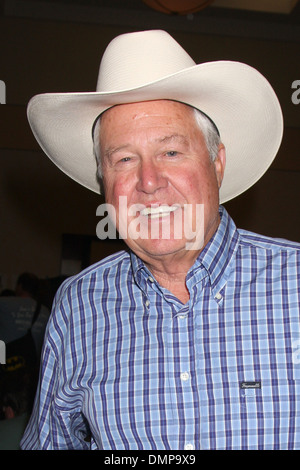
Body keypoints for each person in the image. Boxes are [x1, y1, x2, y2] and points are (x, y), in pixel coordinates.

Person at [20, 30, 300, 450]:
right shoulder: (78, 304)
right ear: (104, 182)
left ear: (217, 162)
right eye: (124, 159)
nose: (148, 182)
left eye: (171, 152)